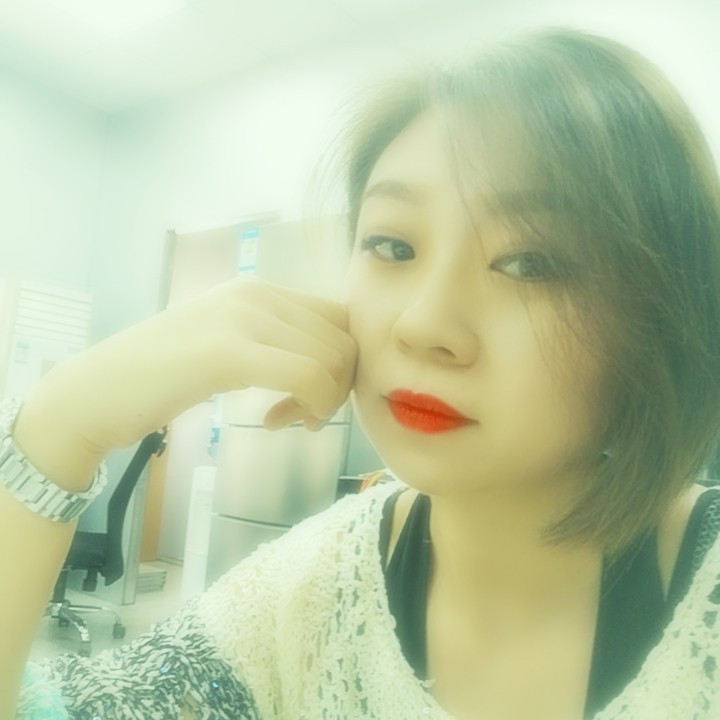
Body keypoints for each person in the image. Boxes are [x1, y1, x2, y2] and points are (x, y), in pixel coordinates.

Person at [3, 26, 720, 720]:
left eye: (530, 262)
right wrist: (58, 426)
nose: (422, 323)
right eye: (393, 246)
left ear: (663, 314)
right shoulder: (308, 591)